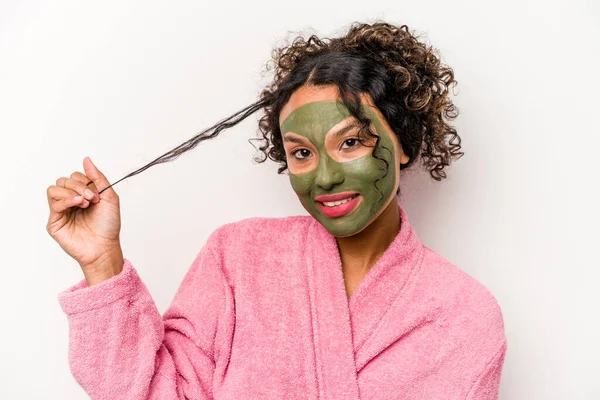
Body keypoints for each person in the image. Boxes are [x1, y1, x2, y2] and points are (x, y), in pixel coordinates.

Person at [46, 21, 507, 399]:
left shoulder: (462, 316)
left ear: (403, 143)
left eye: (350, 143)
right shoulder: (238, 256)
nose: (323, 178)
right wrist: (100, 261)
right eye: (301, 153)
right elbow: (150, 392)